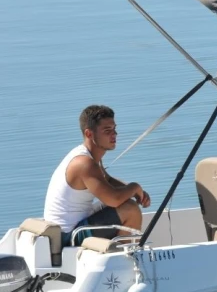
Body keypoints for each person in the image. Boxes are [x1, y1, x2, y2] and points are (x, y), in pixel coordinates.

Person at [43, 105, 150, 246]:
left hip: (72, 225)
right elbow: (114, 199)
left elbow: (107, 180)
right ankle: (127, 256)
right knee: (130, 209)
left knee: (125, 200)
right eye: (107, 131)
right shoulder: (84, 163)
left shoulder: (89, 156)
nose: (114, 134)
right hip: (67, 236)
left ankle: (119, 250)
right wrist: (134, 187)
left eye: (114, 129)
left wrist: (135, 192)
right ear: (89, 134)